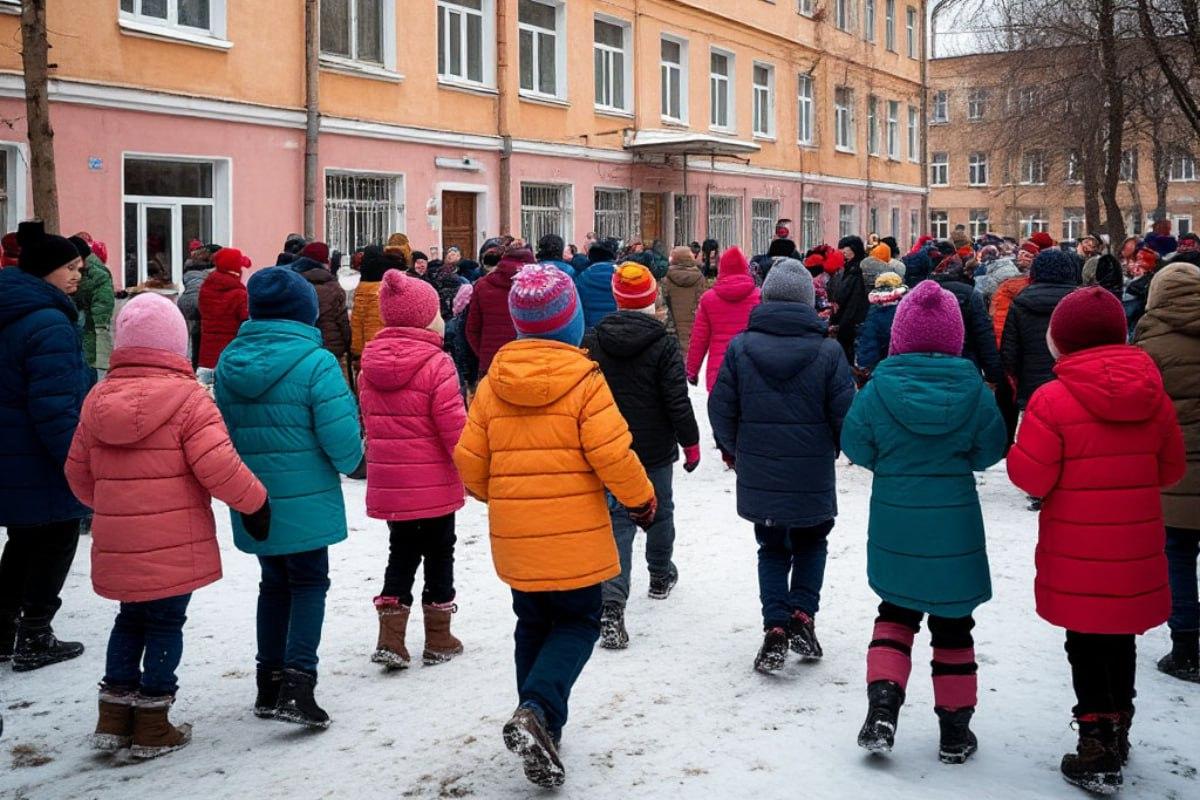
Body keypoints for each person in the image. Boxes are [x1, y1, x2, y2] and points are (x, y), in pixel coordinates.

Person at [453, 265, 655, 789]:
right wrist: (641, 501)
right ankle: (539, 710)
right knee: (579, 622)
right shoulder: (585, 381)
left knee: (532, 623)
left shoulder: (494, 382)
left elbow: (470, 461)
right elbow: (613, 454)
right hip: (577, 539)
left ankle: (541, 720)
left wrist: (495, 494)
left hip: (518, 537)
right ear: (573, 324)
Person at [65, 293, 267, 759]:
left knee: (128, 618)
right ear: (178, 345)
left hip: (118, 541)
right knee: (165, 623)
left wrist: (113, 506)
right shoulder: (189, 400)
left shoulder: (97, 399)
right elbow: (220, 467)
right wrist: (256, 503)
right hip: (174, 543)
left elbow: (76, 474)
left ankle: (113, 715)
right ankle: (153, 721)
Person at [1008, 286, 1186, 794]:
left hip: (1078, 555)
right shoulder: (1154, 394)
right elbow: (1171, 470)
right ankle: (1119, 727)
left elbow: (1032, 478)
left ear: (1060, 341)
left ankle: (1097, 742)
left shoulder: (1053, 398)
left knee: (1085, 645)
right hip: (1134, 551)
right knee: (1121, 641)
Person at [842, 280, 1006, 764]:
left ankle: (882, 709)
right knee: (955, 628)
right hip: (956, 527)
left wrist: (891, 464)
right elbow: (990, 449)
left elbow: (855, 444)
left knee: (894, 615)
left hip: (896, 521)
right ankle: (955, 730)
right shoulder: (973, 391)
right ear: (954, 337)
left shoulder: (877, 390)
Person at [216, 267, 363, 729]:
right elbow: (341, 442)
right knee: (308, 584)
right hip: (306, 499)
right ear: (306, 312)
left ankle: (268, 680)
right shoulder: (315, 362)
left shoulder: (228, 361)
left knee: (273, 585)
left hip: (254, 498)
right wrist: (355, 459)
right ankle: (299, 683)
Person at [708, 260, 854, 673]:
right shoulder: (828, 351)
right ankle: (802, 616)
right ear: (809, 301)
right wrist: (843, 448)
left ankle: (775, 626)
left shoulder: (740, 347)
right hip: (812, 471)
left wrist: (737, 450)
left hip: (761, 468)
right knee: (812, 542)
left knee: (771, 548)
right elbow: (845, 412)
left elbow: (721, 408)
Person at [584, 264, 701, 649]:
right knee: (660, 510)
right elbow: (676, 399)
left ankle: (612, 606)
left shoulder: (594, 339)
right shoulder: (663, 344)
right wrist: (691, 441)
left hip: (608, 447)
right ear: (652, 299)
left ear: (618, 299)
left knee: (618, 521)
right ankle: (660, 575)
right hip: (653, 449)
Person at [359, 270, 467, 671]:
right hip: (435, 483)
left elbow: (370, 420)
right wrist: (473, 467)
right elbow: (454, 427)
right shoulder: (437, 364)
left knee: (400, 553)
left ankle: (391, 638)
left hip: (392, 484)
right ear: (426, 318)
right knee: (440, 553)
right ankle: (438, 637)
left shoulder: (369, 365)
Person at [0, 220, 92, 671]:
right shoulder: (49, 323)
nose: (77, 275)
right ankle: (35, 633)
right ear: (45, 271)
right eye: (69, 267)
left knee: (23, 541)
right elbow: (55, 407)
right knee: (56, 539)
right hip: (40, 454)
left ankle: (2, 631)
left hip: (13, 449)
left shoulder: (12, 309)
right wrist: (77, 463)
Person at [1134, 263, 1200, 682]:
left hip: (1175, 472)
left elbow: (1140, 407)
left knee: (1177, 557)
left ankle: (1186, 648)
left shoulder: (1150, 342)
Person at [1001, 249, 1078, 411]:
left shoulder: (1020, 302)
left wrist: (1017, 379)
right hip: (1075, 384)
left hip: (1032, 385)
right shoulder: (1082, 301)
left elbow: (1009, 353)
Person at [686, 247, 761, 391]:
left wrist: (692, 370)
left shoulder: (708, 299)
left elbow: (699, 338)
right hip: (752, 368)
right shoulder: (759, 297)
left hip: (719, 372)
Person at [466, 245, 533, 375]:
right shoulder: (539, 287)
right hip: (528, 362)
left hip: (492, 361)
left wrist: (484, 354)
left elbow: (472, 328)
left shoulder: (483, 284)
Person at [293, 242, 352, 372]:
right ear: (326, 262)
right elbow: (342, 322)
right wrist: (349, 345)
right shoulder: (335, 288)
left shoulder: (295, 285)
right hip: (331, 349)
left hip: (302, 348)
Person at [197, 247, 250, 384]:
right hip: (231, 356)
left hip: (206, 358)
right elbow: (246, 323)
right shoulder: (240, 295)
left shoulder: (205, 289)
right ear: (235, 271)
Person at [72, 234, 115, 380]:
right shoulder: (83, 270)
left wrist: (99, 328)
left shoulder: (97, 274)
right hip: (82, 323)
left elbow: (103, 304)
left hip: (88, 325)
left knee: (88, 363)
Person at [854, 271, 907, 379]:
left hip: (880, 365)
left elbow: (868, 339)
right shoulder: (905, 308)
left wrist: (864, 364)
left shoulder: (874, 310)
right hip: (900, 363)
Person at [659, 245, 707, 355]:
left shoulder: (666, 277)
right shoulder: (699, 277)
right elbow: (701, 299)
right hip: (693, 322)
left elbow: (663, 300)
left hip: (673, 324)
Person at [830, 236, 869, 364]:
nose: (842, 253)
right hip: (847, 320)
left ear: (854, 249)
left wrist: (842, 325)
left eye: (844, 250)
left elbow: (854, 301)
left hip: (850, 323)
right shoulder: (847, 269)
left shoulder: (856, 272)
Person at [351, 245, 392, 366]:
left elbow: (356, 322)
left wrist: (357, 350)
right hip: (382, 347)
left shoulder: (360, 288)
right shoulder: (386, 288)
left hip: (364, 350)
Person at [177, 245, 215, 369]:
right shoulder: (211, 271)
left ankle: (183, 364)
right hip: (200, 301)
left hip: (185, 300)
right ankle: (196, 365)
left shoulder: (188, 268)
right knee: (199, 337)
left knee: (187, 336)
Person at [444, 283, 479, 398]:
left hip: (460, 366)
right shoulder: (477, 319)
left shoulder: (452, 323)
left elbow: (447, 343)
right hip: (475, 363)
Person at [575, 240, 620, 330]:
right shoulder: (622, 274)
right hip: (617, 327)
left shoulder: (582, 277)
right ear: (613, 257)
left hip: (591, 329)